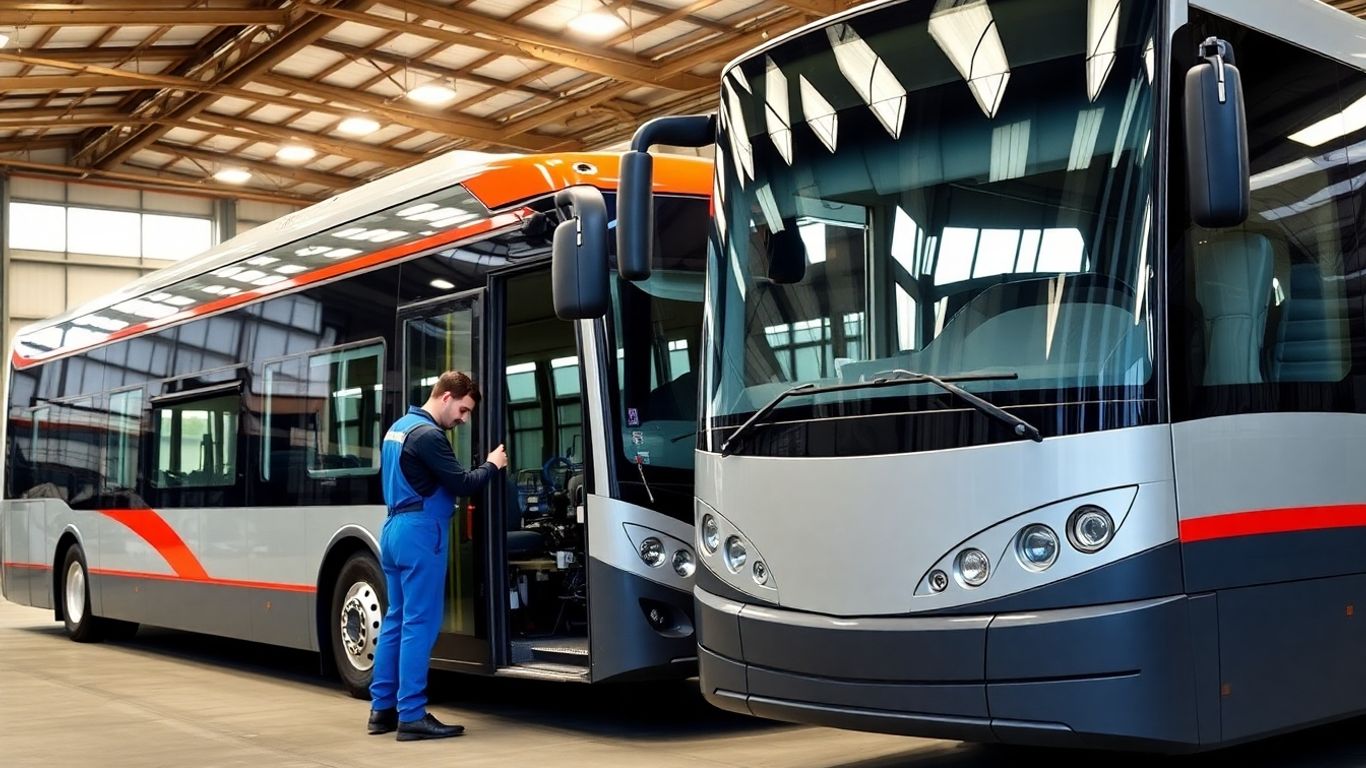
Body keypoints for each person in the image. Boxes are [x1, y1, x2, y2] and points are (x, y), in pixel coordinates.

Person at [366, 371, 508, 741]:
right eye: (462, 410)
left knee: (396, 620)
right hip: (421, 532)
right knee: (419, 624)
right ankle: (411, 714)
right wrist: (492, 464)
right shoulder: (430, 436)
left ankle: (381, 710)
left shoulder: (398, 428)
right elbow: (462, 483)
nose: (463, 419)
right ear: (445, 397)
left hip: (394, 528)